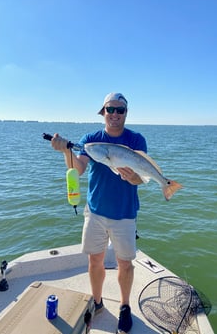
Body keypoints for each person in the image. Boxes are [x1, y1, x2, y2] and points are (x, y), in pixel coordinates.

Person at [51, 92, 147, 333]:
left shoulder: (136, 140)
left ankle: (125, 306)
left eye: (120, 110)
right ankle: (97, 301)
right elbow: (79, 168)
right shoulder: (91, 139)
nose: (114, 114)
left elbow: (140, 178)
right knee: (95, 260)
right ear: (102, 111)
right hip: (94, 212)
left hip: (125, 213)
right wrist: (66, 151)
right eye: (110, 109)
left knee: (125, 264)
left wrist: (134, 177)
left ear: (126, 113)